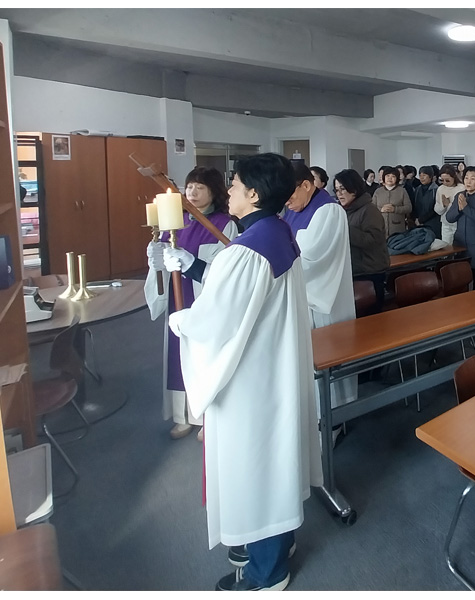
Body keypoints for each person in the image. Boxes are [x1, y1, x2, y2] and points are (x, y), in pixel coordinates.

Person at [161, 152, 320, 592]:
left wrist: (180, 322)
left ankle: (266, 573)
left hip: (250, 379)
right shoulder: (275, 232)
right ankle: (275, 543)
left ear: (253, 193)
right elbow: (239, 290)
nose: (228, 191)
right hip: (272, 367)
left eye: (233, 185)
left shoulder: (249, 248)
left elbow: (215, 320)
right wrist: (192, 265)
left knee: (256, 466)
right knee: (271, 461)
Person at [144, 166, 239, 440]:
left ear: (214, 191)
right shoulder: (176, 220)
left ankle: (207, 417)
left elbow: (225, 268)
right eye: (190, 187)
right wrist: (156, 258)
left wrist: (192, 264)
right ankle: (182, 416)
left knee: (203, 357)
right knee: (178, 356)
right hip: (178, 300)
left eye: (200, 187)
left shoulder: (223, 224)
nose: (193, 192)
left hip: (202, 300)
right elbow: (162, 262)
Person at [283, 162, 358, 418]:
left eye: (289, 195)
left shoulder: (328, 211)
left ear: (306, 185)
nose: (286, 202)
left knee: (328, 358)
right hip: (299, 300)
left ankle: (333, 418)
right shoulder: (293, 210)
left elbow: (313, 261)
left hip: (323, 300)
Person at [333, 169, 388, 315]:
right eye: (337, 190)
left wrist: (345, 229)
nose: (339, 194)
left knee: (371, 318)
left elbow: (373, 240)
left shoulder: (369, 210)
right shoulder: (345, 210)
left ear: (354, 188)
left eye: (343, 189)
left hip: (370, 272)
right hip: (355, 270)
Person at [446, 165, 475, 290]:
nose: (468, 181)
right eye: (466, 178)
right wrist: (459, 208)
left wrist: (466, 208)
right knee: (460, 283)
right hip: (461, 244)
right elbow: (449, 218)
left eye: (472, 178)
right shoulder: (460, 195)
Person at [372, 166, 411, 238]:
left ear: (397, 178)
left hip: (397, 228)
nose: (390, 178)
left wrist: (395, 209)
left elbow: (408, 208)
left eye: (393, 176)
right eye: (387, 176)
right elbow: (372, 208)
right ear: (383, 177)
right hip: (381, 228)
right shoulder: (378, 191)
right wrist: (381, 210)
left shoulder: (402, 191)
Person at [434, 166, 465, 248]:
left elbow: (462, 208)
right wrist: (443, 205)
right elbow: (437, 209)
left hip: (458, 223)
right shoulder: (440, 189)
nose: (445, 183)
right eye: (442, 180)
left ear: (454, 177)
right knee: (446, 247)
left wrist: (449, 204)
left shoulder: (461, 188)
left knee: (459, 247)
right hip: (445, 223)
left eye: (447, 180)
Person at [411, 165, 441, 235]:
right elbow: (414, 205)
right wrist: (416, 219)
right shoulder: (417, 189)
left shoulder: (436, 190)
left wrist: (422, 219)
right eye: (420, 175)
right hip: (418, 223)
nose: (421, 178)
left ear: (430, 176)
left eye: (424, 175)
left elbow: (435, 209)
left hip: (433, 223)